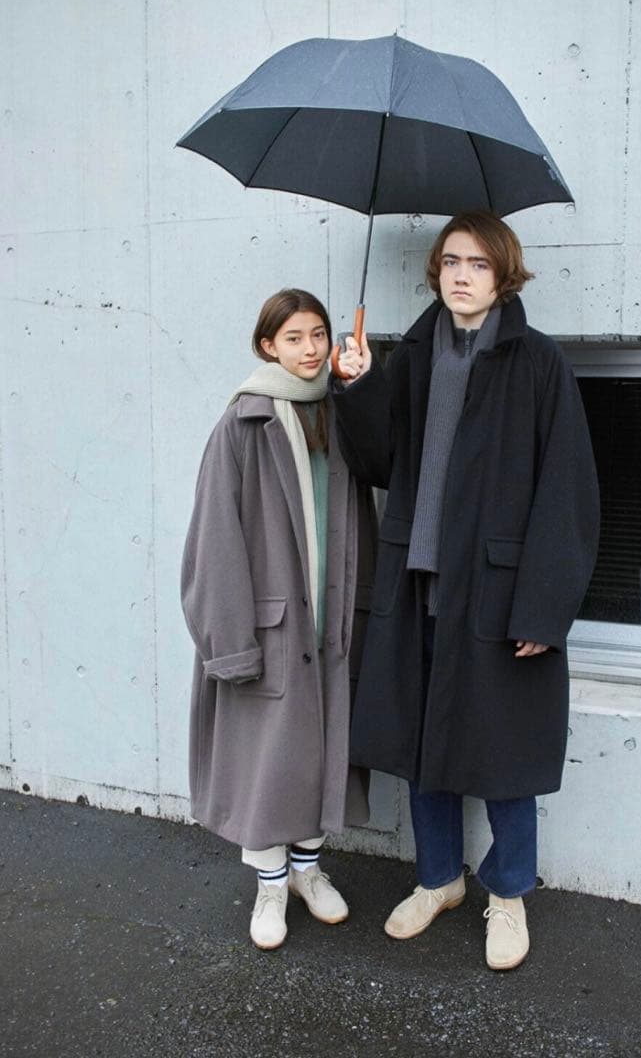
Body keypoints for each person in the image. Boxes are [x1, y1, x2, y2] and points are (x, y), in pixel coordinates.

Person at [331, 212, 600, 970]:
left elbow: (568, 490)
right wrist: (357, 385)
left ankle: (507, 895)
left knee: (504, 755)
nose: (460, 276)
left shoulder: (536, 362)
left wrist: (544, 606)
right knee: (425, 746)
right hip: (417, 585)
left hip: (497, 594)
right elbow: (376, 461)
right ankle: (438, 878)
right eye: (451, 261)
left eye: (478, 264)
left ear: (502, 275)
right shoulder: (414, 356)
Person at [181, 289, 376, 950]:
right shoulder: (244, 423)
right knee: (267, 763)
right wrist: (230, 642)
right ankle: (270, 886)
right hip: (271, 628)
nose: (310, 348)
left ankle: (307, 872)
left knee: (321, 754)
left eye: (318, 334)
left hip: (333, 620)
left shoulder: (339, 413)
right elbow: (214, 541)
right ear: (268, 345)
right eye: (293, 337)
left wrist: (360, 389)